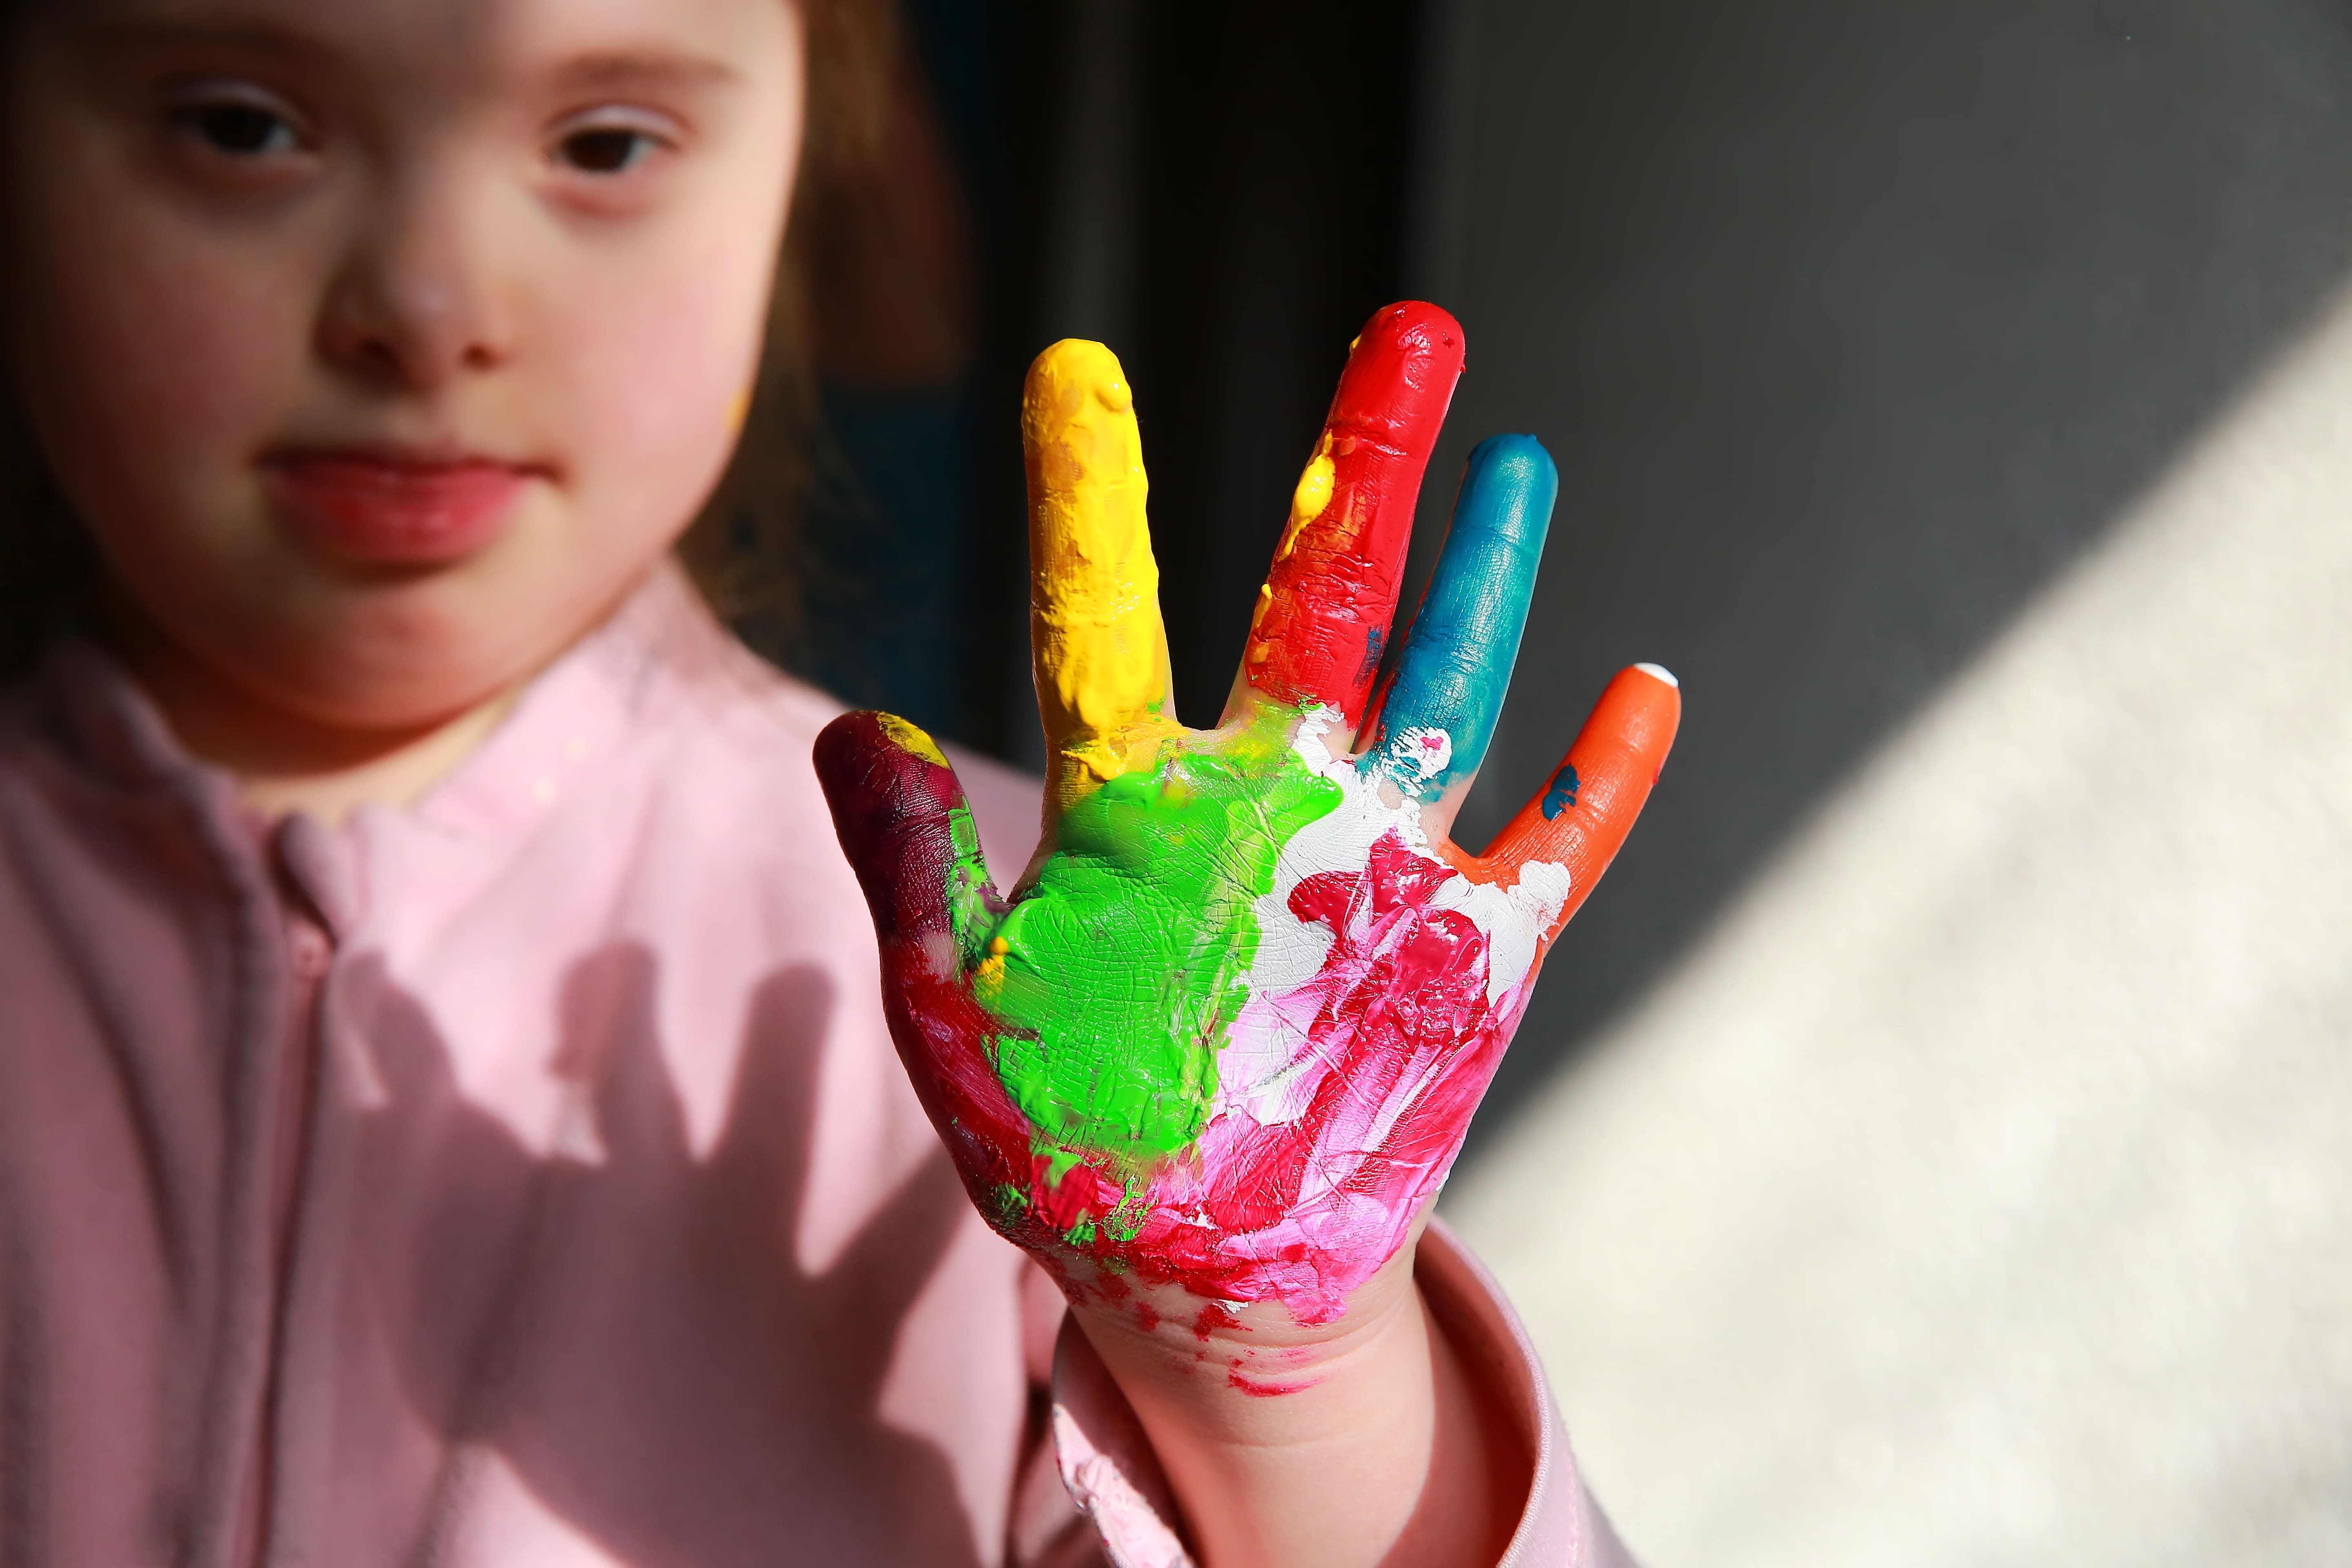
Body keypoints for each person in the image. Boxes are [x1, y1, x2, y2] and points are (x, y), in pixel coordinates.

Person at [0, 0, 1679, 1562]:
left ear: (815, 157)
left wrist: (1285, 1372)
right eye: (239, 126)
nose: (428, 309)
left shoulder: (1089, 981)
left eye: (603, 144)